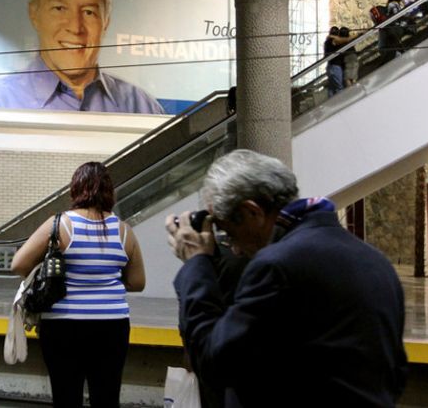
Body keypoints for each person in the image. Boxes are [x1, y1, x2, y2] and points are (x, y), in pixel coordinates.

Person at [165, 149, 407, 407]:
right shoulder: (374, 260)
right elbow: (396, 371)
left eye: (228, 233)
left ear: (252, 212)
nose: (233, 249)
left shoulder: (276, 266)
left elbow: (216, 363)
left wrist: (196, 264)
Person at [10, 161, 146, 408]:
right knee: (106, 398)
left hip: (63, 326)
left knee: (66, 397)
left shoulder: (60, 224)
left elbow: (18, 264)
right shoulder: (124, 231)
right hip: (112, 326)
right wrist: (105, 279)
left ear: (76, 189)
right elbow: (138, 282)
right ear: (109, 192)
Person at [0, 0, 166, 114]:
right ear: (34, 14)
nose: (76, 27)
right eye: (59, 9)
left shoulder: (143, 107)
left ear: (106, 21)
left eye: (89, 12)